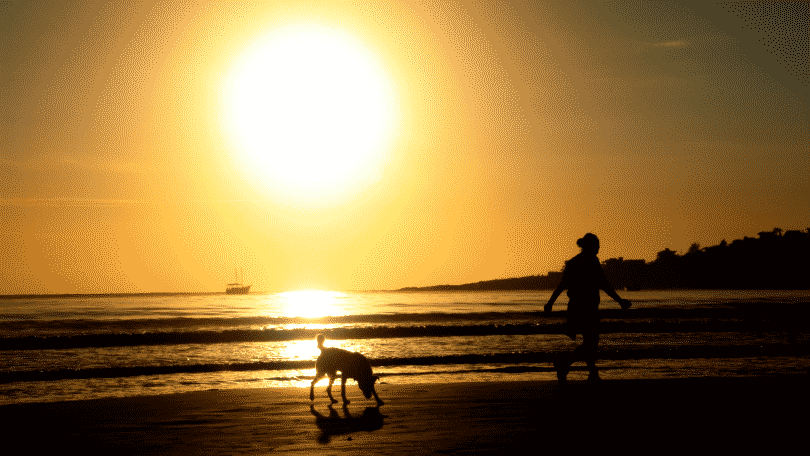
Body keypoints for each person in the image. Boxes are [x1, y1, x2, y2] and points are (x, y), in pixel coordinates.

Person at [543, 233, 631, 382]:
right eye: (596, 246)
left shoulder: (578, 262)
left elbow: (564, 284)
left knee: (590, 341)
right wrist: (619, 300)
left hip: (582, 308)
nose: (598, 249)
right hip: (583, 308)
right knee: (591, 340)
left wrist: (550, 303)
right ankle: (569, 365)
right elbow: (602, 284)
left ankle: (589, 371)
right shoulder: (585, 262)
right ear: (589, 246)